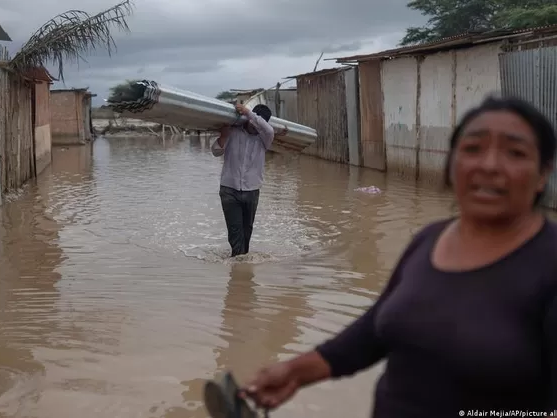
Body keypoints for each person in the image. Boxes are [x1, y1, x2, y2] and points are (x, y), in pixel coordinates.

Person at [240, 96, 557, 417]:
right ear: (453, 163)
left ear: (543, 173)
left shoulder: (549, 265)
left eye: (514, 153)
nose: (489, 165)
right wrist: (295, 371)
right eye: (472, 149)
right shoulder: (429, 240)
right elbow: (376, 329)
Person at [211, 103, 275, 257]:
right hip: (229, 189)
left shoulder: (264, 139)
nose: (254, 127)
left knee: (247, 232)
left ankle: (241, 270)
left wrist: (248, 112)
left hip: (252, 190)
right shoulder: (233, 131)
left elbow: (269, 129)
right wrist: (224, 136)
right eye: (252, 123)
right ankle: (238, 269)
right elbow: (215, 152)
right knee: (235, 233)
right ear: (247, 120)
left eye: (258, 124)